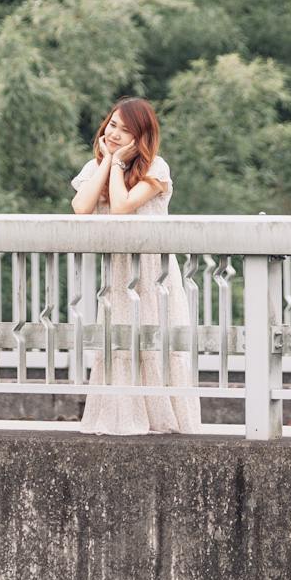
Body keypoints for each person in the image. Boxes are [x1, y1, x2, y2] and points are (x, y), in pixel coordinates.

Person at [68, 97, 203, 435]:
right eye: (112, 125)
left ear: (140, 137)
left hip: (152, 271)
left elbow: (122, 209)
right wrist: (108, 162)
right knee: (119, 343)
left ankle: (162, 419)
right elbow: (82, 208)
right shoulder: (93, 167)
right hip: (118, 273)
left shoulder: (156, 168)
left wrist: (116, 166)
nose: (114, 133)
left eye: (125, 130)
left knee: (155, 341)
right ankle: (121, 418)